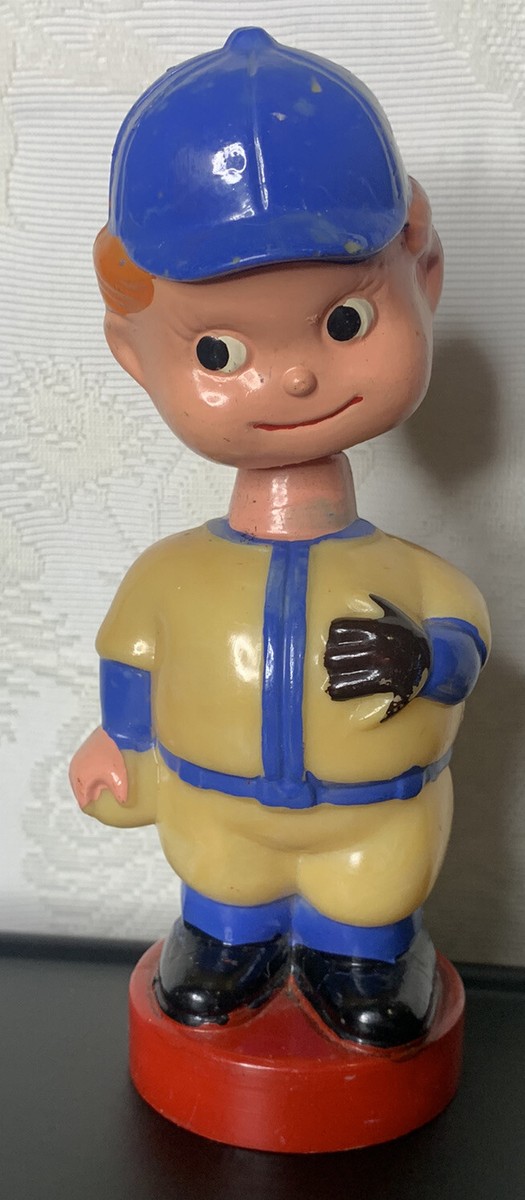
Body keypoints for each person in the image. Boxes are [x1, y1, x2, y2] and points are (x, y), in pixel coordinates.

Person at [70, 27, 489, 1047]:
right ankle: (225, 937)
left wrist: (424, 660)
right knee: (221, 894)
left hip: (374, 820)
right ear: (133, 352)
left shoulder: (412, 574)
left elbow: (463, 644)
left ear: (425, 279)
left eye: (344, 323)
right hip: (217, 816)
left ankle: (368, 951)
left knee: (371, 910)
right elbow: (132, 658)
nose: (294, 377)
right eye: (219, 351)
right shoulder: (170, 574)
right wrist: (120, 743)